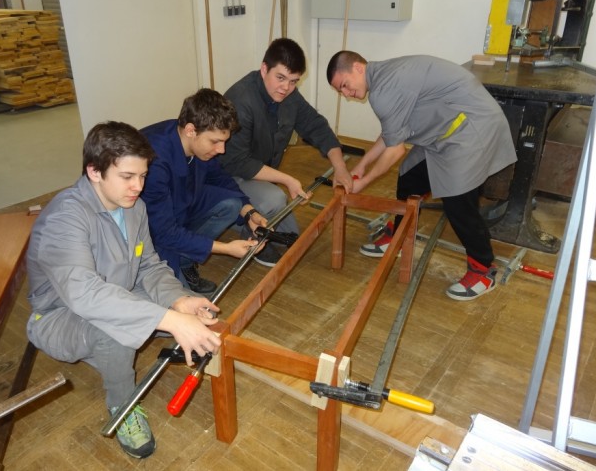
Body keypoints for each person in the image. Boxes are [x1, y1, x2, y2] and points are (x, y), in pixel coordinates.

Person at [25, 121, 221, 459]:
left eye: (142, 175)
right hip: (57, 316)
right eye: (127, 176)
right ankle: (123, 405)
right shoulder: (64, 218)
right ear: (94, 171)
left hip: (114, 294)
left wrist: (179, 300)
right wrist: (169, 319)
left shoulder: (133, 207)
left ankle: (116, 350)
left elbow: (149, 266)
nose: (138, 186)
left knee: (174, 314)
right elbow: (85, 295)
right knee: (117, 329)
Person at [326, 51, 517, 301]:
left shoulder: (384, 89)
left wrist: (364, 182)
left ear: (358, 68)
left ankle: (483, 269)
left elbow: (395, 151)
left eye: (344, 85)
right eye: (340, 92)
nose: (346, 95)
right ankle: (401, 232)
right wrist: (362, 166)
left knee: (458, 202)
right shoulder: (382, 77)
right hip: (442, 133)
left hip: (470, 129)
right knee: (409, 177)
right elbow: (391, 133)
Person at [220, 38, 353, 264]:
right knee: (274, 199)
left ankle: (249, 215)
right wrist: (287, 180)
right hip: (227, 177)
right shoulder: (241, 100)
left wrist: (340, 167)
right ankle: (246, 229)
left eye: (293, 81)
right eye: (280, 78)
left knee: (290, 236)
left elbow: (316, 126)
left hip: (258, 175)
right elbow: (238, 162)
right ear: (264, 69)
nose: (286, 88)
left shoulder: (288, 95)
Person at [140, 88, 268, 292]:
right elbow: (163, 232)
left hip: (181, 204)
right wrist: (225, 248)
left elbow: (219, 177)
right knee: (184, 301)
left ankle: (185, 260)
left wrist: (248, 211)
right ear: (191, 130)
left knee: (233, 204)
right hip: (152, 235)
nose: (221, 150)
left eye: (224, 142)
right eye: (215, 141)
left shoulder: (195, 143)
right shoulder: (154, 160)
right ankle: (179, 261)